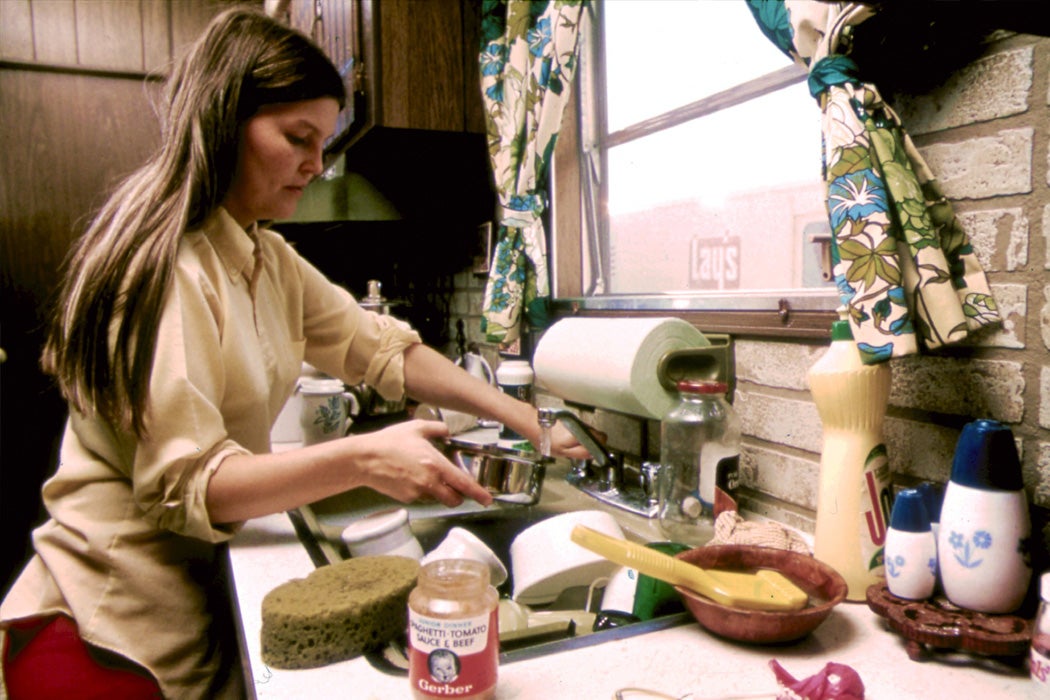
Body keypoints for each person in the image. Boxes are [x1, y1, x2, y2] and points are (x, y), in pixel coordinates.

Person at [0, 8, 588, 699]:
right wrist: (367, 457)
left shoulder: (262, 255)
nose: (317, 164)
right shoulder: (164, 271)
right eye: (297, 138)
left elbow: (383, 351)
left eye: (324, 141)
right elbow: (188, 486)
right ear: (224, 122)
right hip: (107, 636)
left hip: (182, 617)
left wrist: (528, 423)